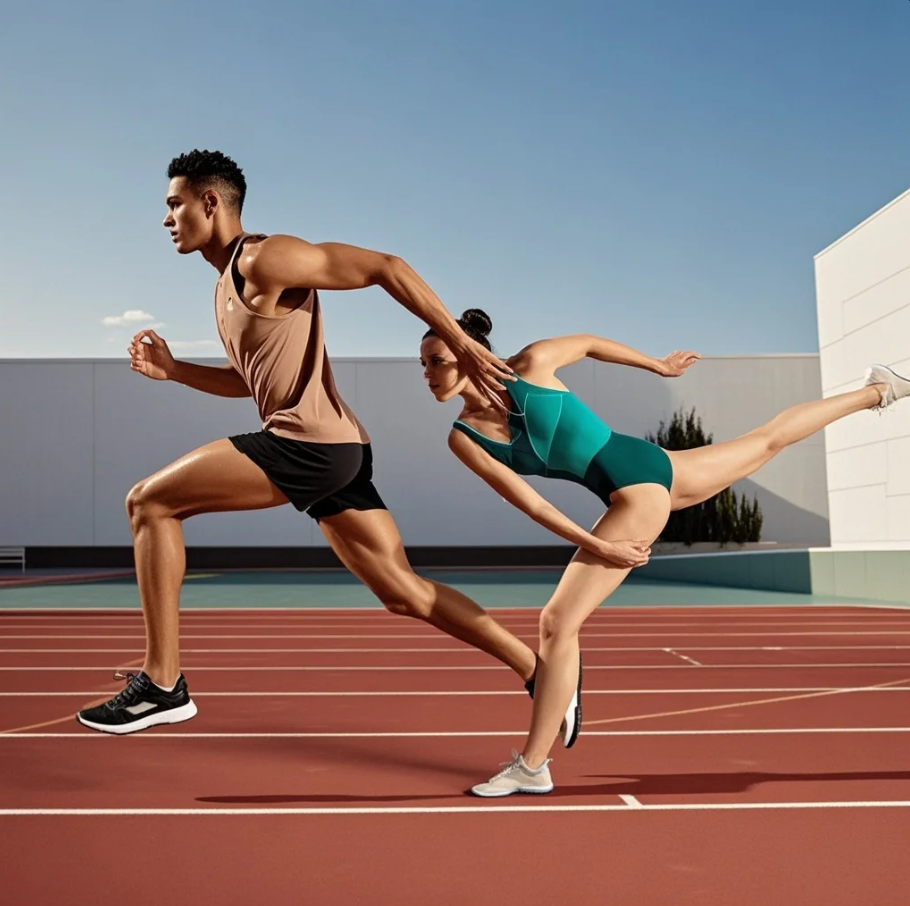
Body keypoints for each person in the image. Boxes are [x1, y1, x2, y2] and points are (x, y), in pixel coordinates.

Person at [76, 149, 577, 738]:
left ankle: (163, 685)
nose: (166, 218)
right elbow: (251, 383)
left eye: (174, 204)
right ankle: (539, 672)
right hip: (334, 451)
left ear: (209, 202)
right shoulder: (226, 289)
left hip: (308, 446)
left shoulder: (265, 257)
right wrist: (176, 370)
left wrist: (458, 343)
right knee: (404, 593)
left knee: (149, 503)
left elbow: (386, 267)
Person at [419, 308, 910, 796]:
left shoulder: (532, 363)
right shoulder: (465, 439)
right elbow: (531, 504)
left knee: (557, 623)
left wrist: (658, 365)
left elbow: (588, 341)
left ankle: (532, 764)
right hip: (658, 472)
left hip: (636, 488)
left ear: (467, 354)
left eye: (435, 360)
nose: (427, 374)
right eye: (422, 365)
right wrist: (596, 543)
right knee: (766, 440)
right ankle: (880, 390)